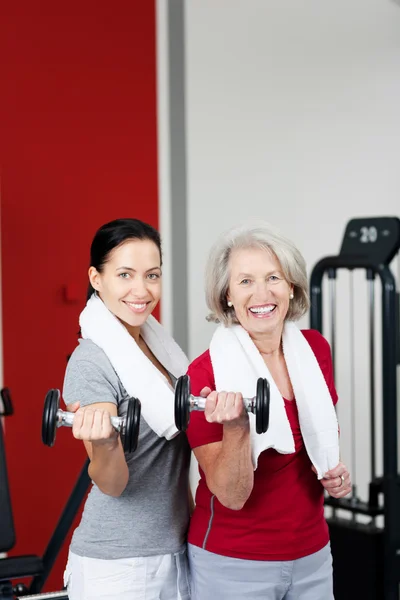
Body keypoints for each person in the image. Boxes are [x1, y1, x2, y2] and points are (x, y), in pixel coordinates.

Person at [185, 221, 351, 600]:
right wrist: (237, 428)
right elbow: (231, 495)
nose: (262, 293)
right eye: (245, 281)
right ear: (227, 295)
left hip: (312, 554)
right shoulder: (205, 374)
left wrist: (335, 473)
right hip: (233, 562)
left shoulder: (314, 351)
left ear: (290, 287)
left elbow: (317, 442)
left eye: (273, 277)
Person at [62, 218, 191, 600]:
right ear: (96, 278)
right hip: (120, 565)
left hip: (175, 547)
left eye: (152, 275)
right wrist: (103, 444)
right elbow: (112, 483)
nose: (142, 290)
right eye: (124, 274)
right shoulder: (92, 361)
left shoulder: (163, 353)